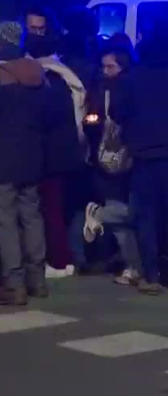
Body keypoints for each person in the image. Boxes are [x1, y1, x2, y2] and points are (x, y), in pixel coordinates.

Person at [110, 26, 168, 296]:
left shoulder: (134, 76)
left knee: (146, 218)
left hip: (143, 155)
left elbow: (117, 111)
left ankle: (150, 276)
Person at [25, 24, 86, 278]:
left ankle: (59, 261)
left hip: (49, 155)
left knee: (50, 210)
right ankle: (70, 258)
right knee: (66, 209)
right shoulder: (66, 77)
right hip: (71, 152)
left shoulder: (42, 80)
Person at [79, 44, 140, 286]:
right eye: (104, 66)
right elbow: (90, 118)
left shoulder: (131, 88)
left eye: (111, 67)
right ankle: (130, 263)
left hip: (129, 156)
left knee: (125, 211)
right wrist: (91, 123)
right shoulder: (98, 87)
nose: (106, 71)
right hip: (104, 155)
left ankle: (100, 217)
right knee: (119, 210)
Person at [0, 21, 51, 304]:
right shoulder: (37, 74)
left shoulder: (2, 77)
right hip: (33, 156)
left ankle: (14, 283)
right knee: (32, 216)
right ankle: (37, 280)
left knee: (6, 220)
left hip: (4, 158)